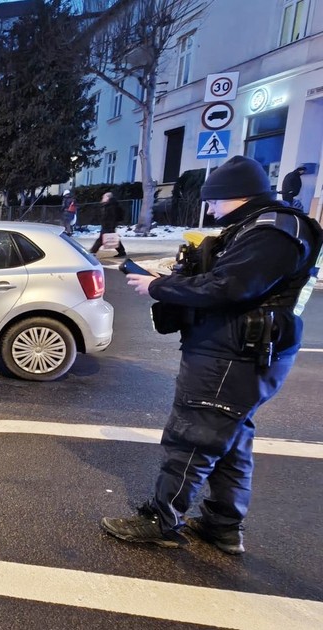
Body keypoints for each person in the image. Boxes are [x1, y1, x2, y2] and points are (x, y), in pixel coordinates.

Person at [102, 155, 323, 554]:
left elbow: (230, 287)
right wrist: (170, 279)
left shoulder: (272, 231)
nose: (210, 208)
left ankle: (161, 520)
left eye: (214, 200)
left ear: (234, 195)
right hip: (233, 349)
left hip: (233, 354)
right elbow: (223, 279)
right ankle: (223, 524)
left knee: (194, 434)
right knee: (230, 439)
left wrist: (159, 289)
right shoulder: (257, 227)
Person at [88, 191, 127, 258]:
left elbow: (112, 216)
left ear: (108, 198)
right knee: (112, 238)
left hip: (108, 224)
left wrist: (111, 223)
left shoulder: (111, 205)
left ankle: (93, 251)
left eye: (104, 197)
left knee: (102, 238)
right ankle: (121, 251)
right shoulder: (109, 204)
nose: (102, 198)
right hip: (108, 224)